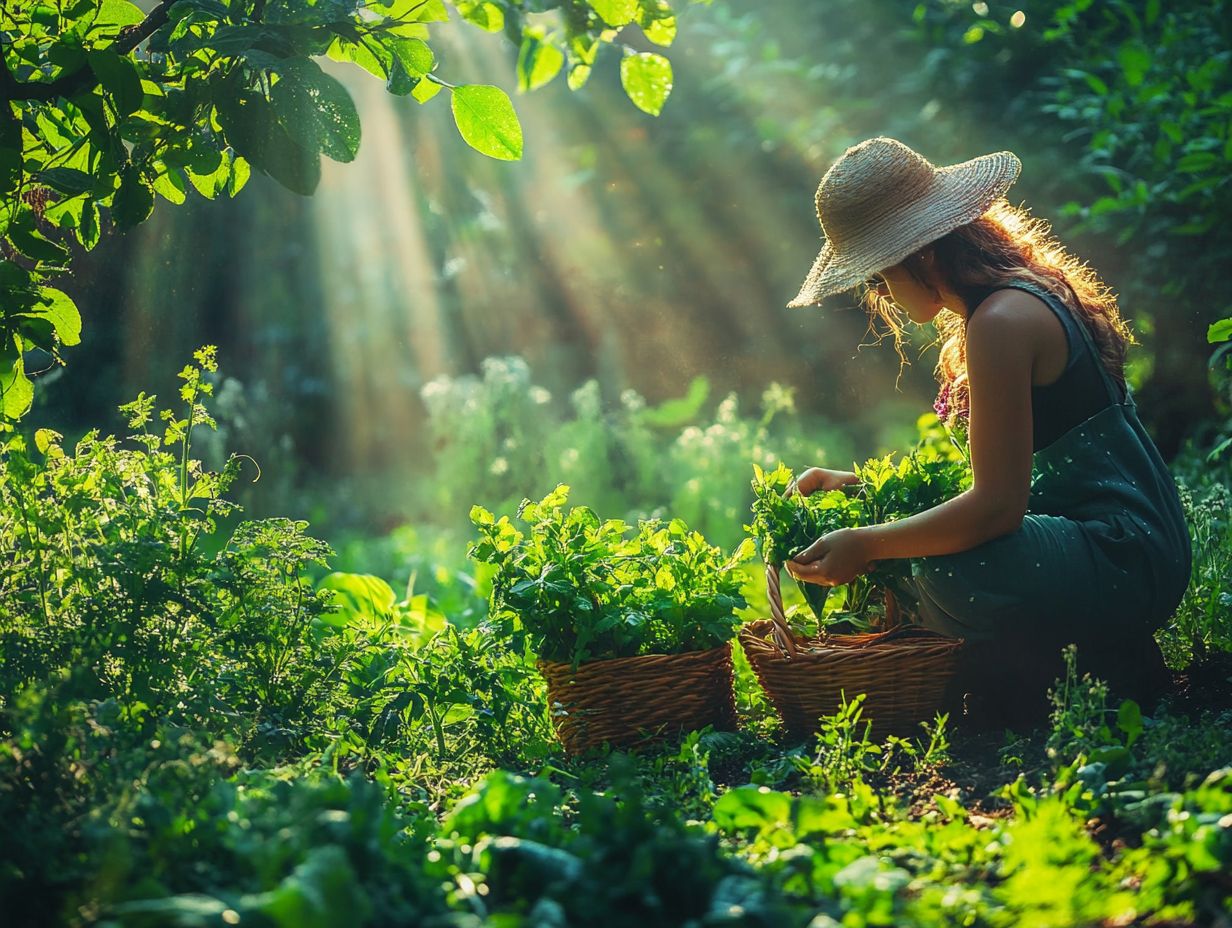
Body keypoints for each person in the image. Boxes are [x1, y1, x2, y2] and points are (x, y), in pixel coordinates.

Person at [781, 137, 1192, 727]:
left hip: (1124, 553)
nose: (880, 295)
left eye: (877, 276)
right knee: (921, 552)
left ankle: (1068, 667)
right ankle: (1080, 656)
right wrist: (869, 498)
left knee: (945, 570)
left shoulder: (1001, 323)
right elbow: (1006, 482)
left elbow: (997, 509)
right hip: (1115, 544)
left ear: (919, 256)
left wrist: (870, 541)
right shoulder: (1011, 301)